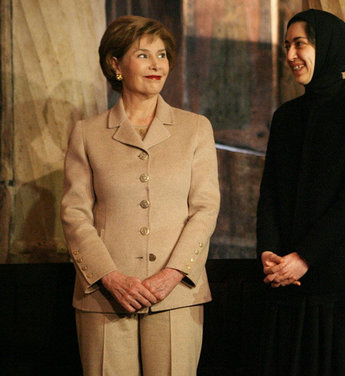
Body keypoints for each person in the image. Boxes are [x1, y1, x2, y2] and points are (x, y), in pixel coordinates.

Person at [61, 15, 220, 376]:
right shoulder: (87, 133)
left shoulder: (195, 128)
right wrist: (110, 278)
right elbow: (74, 213)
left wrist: (172, 274)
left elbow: (205, 209)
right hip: (104, 298)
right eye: (143, 55)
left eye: (162, 55)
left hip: (176, 296)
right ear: (115, 64)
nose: (156, 65)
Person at [256, 9, 345, 376]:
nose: (290, 55)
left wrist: (305, 256)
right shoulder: (286, 116)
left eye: (300, 43)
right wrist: (268, 252)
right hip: (287, 286)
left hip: (339, 290)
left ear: (328, 46)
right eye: (286, 46)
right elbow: (269, 195)